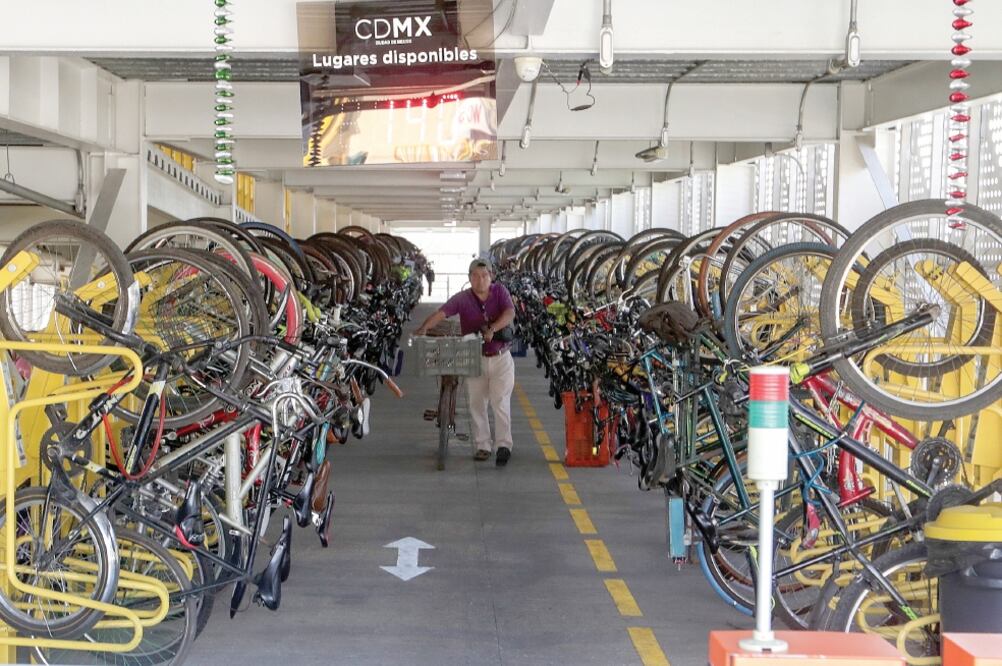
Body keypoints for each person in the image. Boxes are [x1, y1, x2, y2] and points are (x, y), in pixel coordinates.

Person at [415, 259, 517, 466]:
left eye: (484, 275)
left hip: (501, 358)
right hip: (474, 357)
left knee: (500, 402)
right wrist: (424, 328)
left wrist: (493, 329)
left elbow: (509, 313)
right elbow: (442, 313)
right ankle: (482, 446)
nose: (480, 280)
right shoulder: (462, 298)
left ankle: (504, 445)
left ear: (491, 276)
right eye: (475, 276)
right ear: (469, 278)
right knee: (476, 403)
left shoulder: (500, 292)